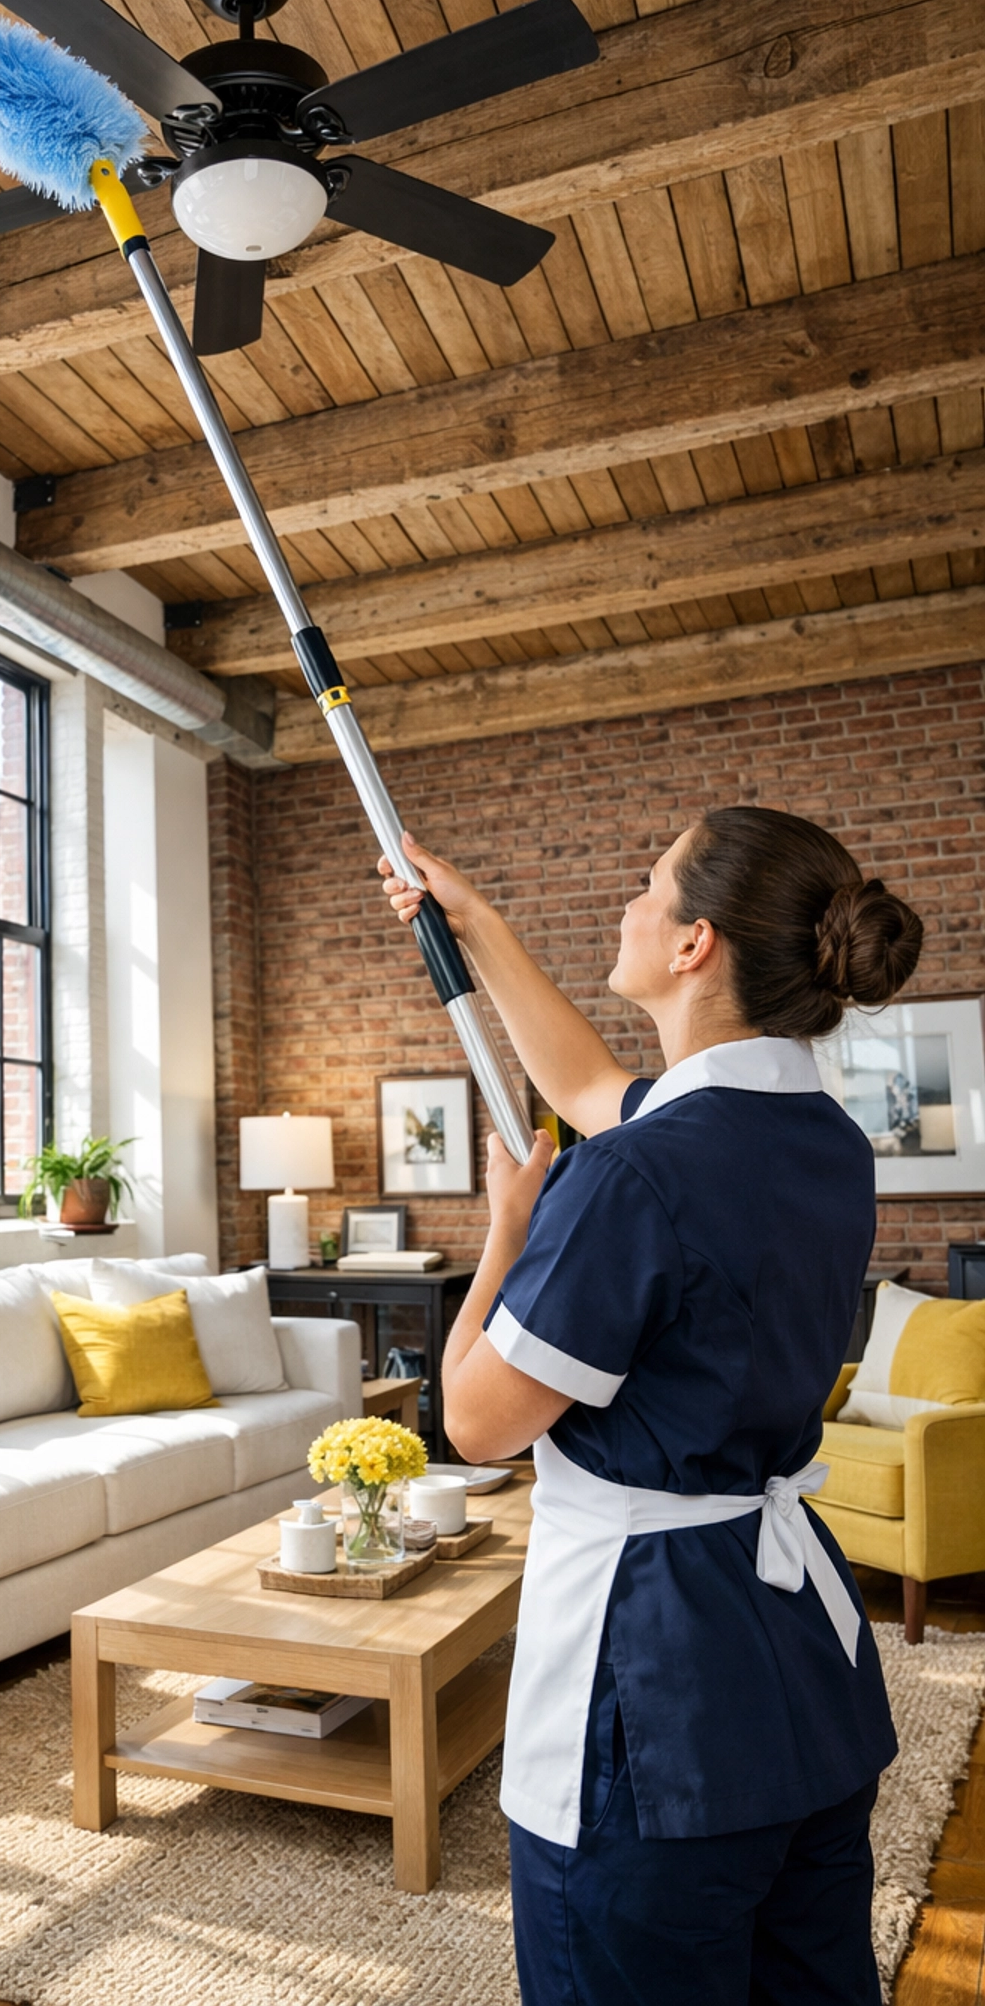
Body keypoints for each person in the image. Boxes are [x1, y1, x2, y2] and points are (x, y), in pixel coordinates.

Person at [378, 806, 923, 2006]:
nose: (627, 905)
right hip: (802, 1676)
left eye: (647, 884)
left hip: (655, 1694)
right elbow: (586, 1084)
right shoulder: (823, 1142)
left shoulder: (629, 1177)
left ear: (693, 944)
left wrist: (507, 1231)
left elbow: (474, 1424)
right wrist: (475, 921)